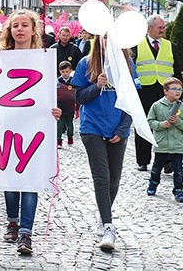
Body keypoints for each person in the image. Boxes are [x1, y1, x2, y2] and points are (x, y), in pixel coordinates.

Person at [0, 10, 62, 255]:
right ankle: (12, 221)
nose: (20, 30)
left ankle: (26, 233)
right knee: (11, 178)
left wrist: (55, 109)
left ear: (34, 30)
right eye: (15, 26)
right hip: (6, 125)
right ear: (9, 31)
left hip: (35, 126)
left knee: (31, 179)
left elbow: (49, 93)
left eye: (25, 25)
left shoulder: (43, 59)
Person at [72, 34, 139, 251]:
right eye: (105, 39)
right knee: (102, 177)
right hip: (92, 128)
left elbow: (133, 102)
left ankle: (103, 216)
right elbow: (79, 97)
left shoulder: (127, 64)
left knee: (114, 181)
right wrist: (96, 86)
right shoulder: (86, 63)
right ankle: (109, 226)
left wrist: (122, 128)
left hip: (118, 128)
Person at [132, 15, 181, 172]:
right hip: (143, 91)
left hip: (165, 91)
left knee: (167, 125)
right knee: (143, 124)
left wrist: (178, 91)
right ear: (149, 29)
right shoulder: (136, 45)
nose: (163, 30)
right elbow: (130, 70)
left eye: (163, 27)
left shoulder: (171, 46)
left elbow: (177, 70)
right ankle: (143, 160)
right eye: (160, 27)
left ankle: (167, 161)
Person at [146, 77, 183, 203]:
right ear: (165, 91)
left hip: (177, 144)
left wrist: (178, 122)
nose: (178, 92)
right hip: (162, 143)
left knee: (178, 169)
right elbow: (150, 121)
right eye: (174, 89)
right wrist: (160, 125)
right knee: (157, 167)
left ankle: (178, 190)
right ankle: (153, 184)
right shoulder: (157, 106)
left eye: (180, 89)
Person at [56, 60, 77, 147]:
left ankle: (70, 137)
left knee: (69, 124)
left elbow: (76, 94)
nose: (65, 73)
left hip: (70, 106)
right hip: (60, 106)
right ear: (60, 71)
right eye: (63, 72)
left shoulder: (73, 81)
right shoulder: (57, 81)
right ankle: (59, 141)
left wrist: (76, 107)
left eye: (67, 71)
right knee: (59, 125)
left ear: (71, 71)